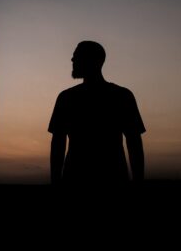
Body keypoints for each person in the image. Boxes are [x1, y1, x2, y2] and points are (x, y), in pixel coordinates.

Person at [48, 41, 145, 185]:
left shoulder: (68, 98)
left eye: (77, 56)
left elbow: (134, 142)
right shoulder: (122, 95)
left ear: (95, 60)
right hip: (87, 178)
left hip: (93, 178)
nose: (72, 60)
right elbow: (58, 143)